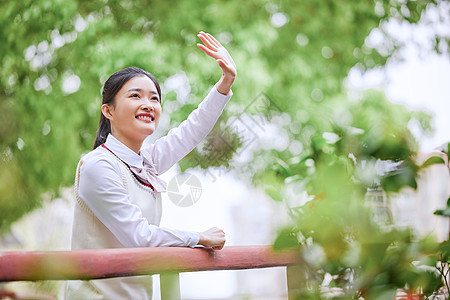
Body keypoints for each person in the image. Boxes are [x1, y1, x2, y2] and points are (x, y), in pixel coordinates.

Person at [65, 31, 236, 299]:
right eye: (135, 96)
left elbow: (192, 131)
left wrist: (225, 82)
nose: (148, 104)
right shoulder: (98, 165)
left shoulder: (146, 162)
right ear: (108, 111)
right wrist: (198, 238)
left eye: (154, 98)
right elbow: (140, 237)